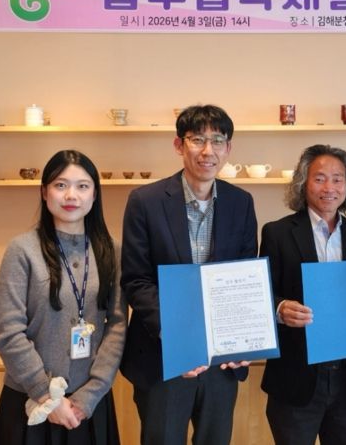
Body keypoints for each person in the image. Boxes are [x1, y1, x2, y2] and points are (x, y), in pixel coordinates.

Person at [120, 104, 258, 445]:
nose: (208, 150)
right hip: (164, 355)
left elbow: (245, 279)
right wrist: (179, 336)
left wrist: (244, 337)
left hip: (221, 360)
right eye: (197, 139)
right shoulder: (145, 201)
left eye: (217, 140)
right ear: (179, 145)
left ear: (228, 148)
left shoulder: (241, 202)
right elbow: (136, 280)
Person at [259, 144, 346, 445]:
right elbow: (261, 295)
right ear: (303, 183)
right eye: (319, 178)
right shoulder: (276, 233)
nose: (329, 187)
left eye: (337, 179)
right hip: (295, 379)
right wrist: (280, 308)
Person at [0, 150, 127, 445]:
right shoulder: (22, 250)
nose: (71, 195)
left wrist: (91, 393)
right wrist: (46, 395)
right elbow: (8, 332)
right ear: (44, 192)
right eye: (60, 185)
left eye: (82, 186)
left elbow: (117, 325)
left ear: (94, 195)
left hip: (88, 406)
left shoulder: (111, 251)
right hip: (31, 402)